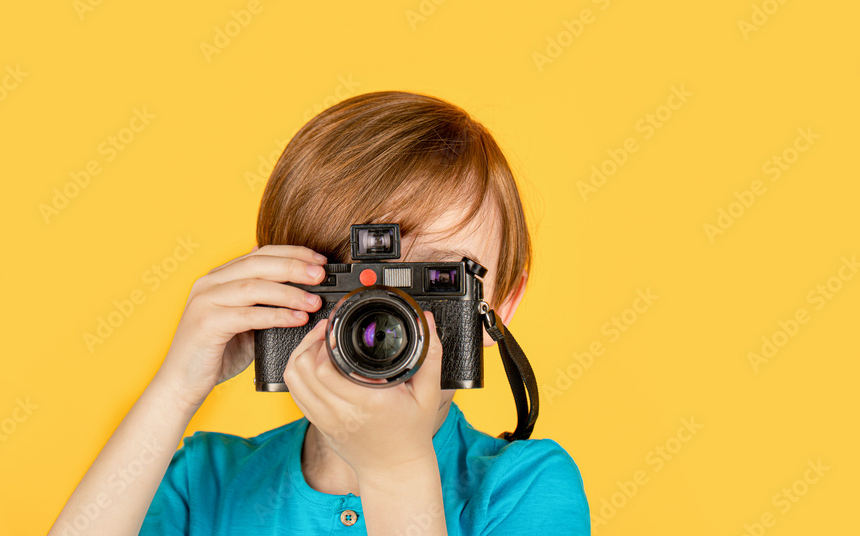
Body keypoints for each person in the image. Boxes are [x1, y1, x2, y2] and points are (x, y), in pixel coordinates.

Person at [48, 91, 591, 535]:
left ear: (499, 306)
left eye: (433, 279)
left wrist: (396, 472)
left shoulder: (524, 489)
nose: (382, 317)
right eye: (342, 276)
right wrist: (176, 389)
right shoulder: (204, 482)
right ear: (275, 286)